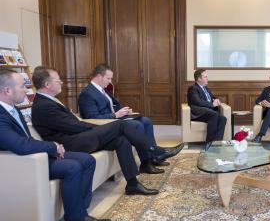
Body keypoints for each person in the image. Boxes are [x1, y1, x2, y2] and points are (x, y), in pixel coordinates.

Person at [31, 66, 183, 196]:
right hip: (69, 144)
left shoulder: (50, 101)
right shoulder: (44, 105)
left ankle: (132, 184)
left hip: (76, 137)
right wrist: (102, 129)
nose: (62, 82)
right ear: (47, 84)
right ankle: (155, 150)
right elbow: (74, 126)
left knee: (121, 140)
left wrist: (102, 129)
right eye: (58, 80)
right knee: (120, 126)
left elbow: (73, 124)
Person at [0, 69, 111, 221]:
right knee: (72, 167)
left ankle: (81, 215)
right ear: (7, 90)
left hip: (33, 158)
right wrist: (51, 147)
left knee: (86, 160)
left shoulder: (11, 108)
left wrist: (49, 149)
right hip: (20, 166)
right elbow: (19, 145)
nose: (27, 90)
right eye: (23, 86)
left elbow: (26, 140)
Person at [78, 63, 171, 168]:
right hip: (106, 125)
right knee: (137, 125)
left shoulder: (102, 90)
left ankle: (154, 157)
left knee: (146, 121)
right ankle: (146, 163)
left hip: (115, 119)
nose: (110, 82)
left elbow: (112, 105)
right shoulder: (87, 94)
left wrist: (124, 111)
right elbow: (92, 118)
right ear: (99, 76)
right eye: (108, 79)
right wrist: (115, 115)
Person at [187, 69, 227, 149]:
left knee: (223, 118)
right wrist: (212, 104)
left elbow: (212, 97)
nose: (207, 78)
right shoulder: (193, 88)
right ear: (199, 79)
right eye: (205, 77)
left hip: (208, 112)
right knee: (214, 115)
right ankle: (208, 143)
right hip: (199, 113)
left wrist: (216, 99)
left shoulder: (206, 88)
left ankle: (216, 143)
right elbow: (198, 102)